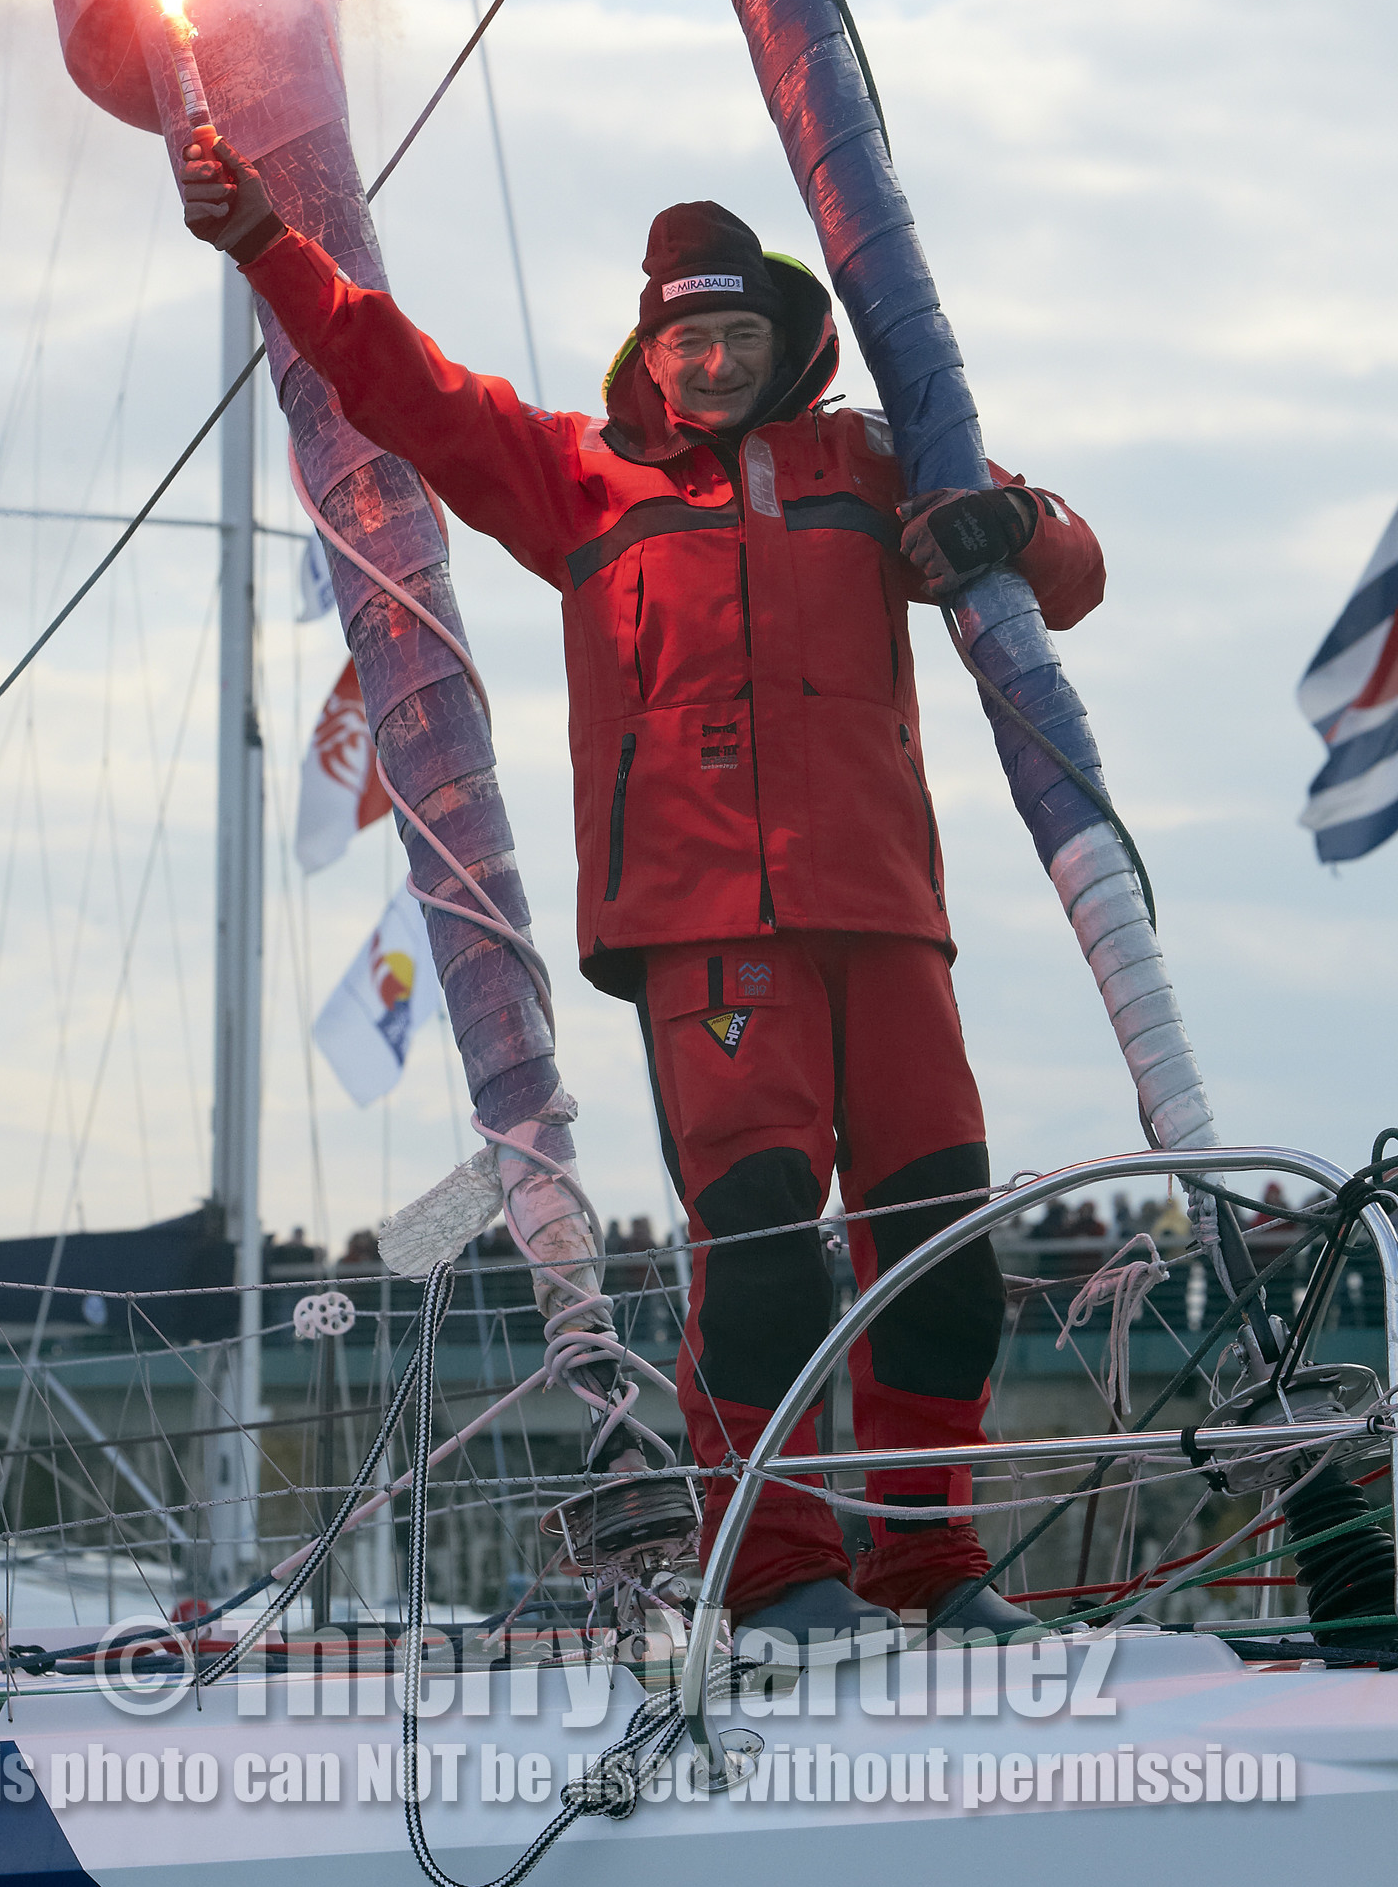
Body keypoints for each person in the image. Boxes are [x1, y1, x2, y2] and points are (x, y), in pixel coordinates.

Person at [182, 145, 1105, 1639]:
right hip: (705, 935)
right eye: (689, 340)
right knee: (756, 1245)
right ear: (650, 356)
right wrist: (270, 245)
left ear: (790, 339)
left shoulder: (884, 460)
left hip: (886, 914)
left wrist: (1010, 523)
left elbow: (1069, 569)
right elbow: (396, 379)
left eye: (740, 335)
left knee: (941, 1243)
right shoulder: (576, 478)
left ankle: (931, 1571)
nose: (717, 361)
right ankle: (779, 1574)